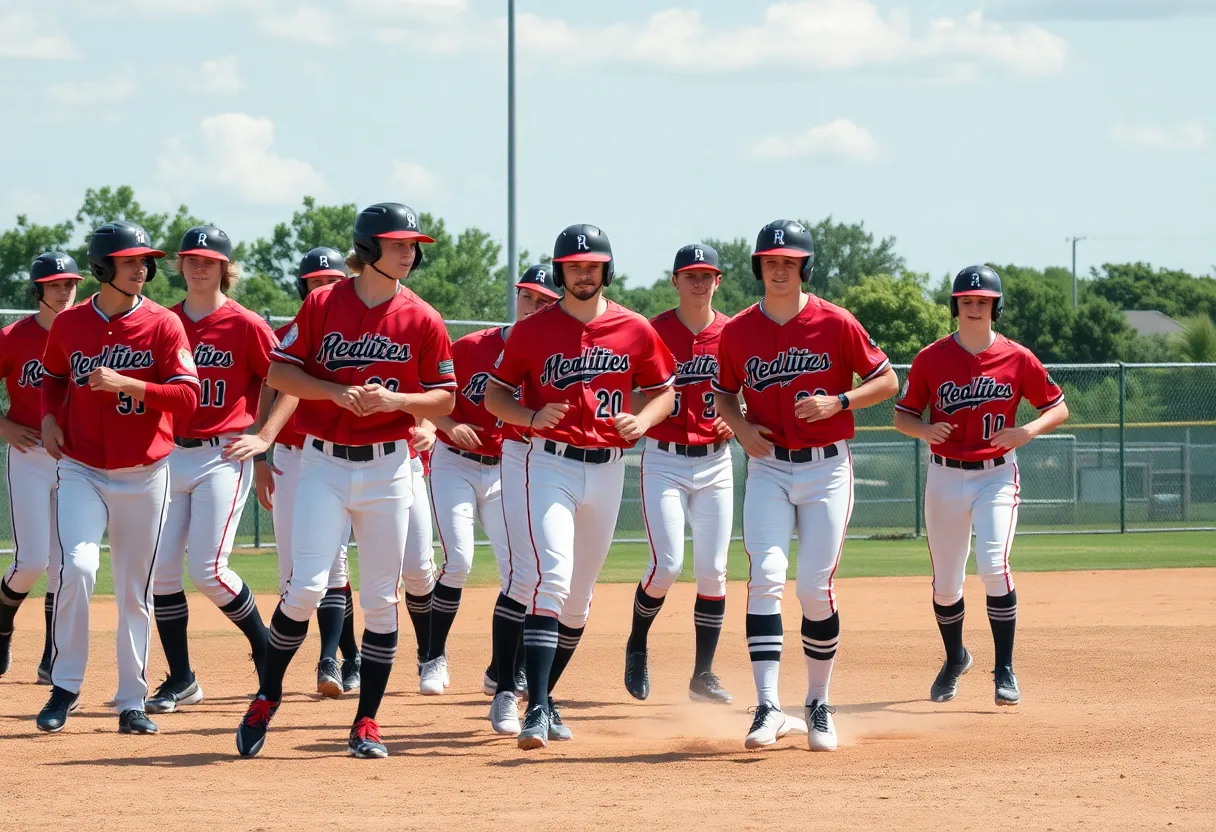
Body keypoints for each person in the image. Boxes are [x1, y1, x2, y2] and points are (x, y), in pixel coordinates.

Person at [234, 202, 455, 760]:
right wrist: (334, 392)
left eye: (413, 245)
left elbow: (445, 397)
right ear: (371, 248)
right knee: (306, 586)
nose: (412, 252)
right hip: (323, 465)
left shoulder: (423, 317)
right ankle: (268, 695)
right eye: (400, 244)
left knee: (382, 601)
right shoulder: (323, 303)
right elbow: (279, 371)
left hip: (388, 467)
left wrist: (396, 400)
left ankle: (366, 723)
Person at [485, 224, 676, 749]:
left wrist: (646, 420)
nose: (583, 273)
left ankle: (544, 698)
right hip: (548, 463)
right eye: (574, 265)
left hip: (609, 467)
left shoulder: (635, 328)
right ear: (561, 270)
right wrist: (528, 414)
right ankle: (533, 707)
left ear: (605, 270)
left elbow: (665, 392)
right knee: (553, 576)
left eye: (592, 265)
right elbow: (494, 398)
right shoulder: (533, 329)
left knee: (580, 598)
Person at [713, 220, 898, 752]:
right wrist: (742, 427)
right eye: (770, 261)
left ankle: (817, 703)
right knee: (766, 576)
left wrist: (839, 401)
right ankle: (768, 706)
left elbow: (888, 380)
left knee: (814, 588)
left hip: (825, 468)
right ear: (758, 268)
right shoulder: (738, 331)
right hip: (769, 464)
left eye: (788, 261)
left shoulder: (835, 322)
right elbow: (725, 394)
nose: (778, 268)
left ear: (803, 268)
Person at [37, 221, 201, 735]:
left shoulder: (162, 325)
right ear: (103, 268)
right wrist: (47, 416)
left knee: (135, 589)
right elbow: (54, 377)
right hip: (82, 467)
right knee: (77, 568)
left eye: (145, 260)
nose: (143, 268)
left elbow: (187, 396)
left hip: (145, 472)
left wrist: (127, 382)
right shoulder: (69, 324)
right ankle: (65, 686)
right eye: (130, 260)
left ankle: (131, 699)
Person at [894, 265, 1068, 707]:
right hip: (945, 475)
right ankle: (956, 658)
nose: (975, 307)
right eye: (967, 301)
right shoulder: (931, 357)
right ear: (956, 305)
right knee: (946, 585)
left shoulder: (1017, 357)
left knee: (994, 565)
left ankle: (1004, 668)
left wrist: (1026, 431)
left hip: (996, 474)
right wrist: (922, 430)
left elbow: (1058, 407)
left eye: (983, 301)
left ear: (995, 306)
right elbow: (903, 416)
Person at [146, 226, 281, 714]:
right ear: (180, 265)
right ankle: (181, 678)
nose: (199, 267)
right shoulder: (162, 322)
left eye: (209, 260)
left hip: (222, 453)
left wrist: (263, 439)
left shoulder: (245, 324)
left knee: (207, 569)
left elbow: (284, 380)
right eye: (191, 259)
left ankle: (267, 650)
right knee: (160, 573)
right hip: (164, 456)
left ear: (225, 267)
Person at [419, 264, 561, 700]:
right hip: (454, 463)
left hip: (508, 469)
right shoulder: (470, 347)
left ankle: (503, 670)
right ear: (516, 297)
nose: (533, 306)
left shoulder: (552, 357)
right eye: (528, 297)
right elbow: (425, 391)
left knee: (518, 572)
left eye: (543, 301)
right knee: (458, 561)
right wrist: (444, 423)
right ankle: (433, 656)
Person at [624, 243, 735, 705]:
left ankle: (702, 675)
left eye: (706, 274)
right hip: (665, 458)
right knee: (666, 565)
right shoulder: (652, 332)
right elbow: (628, 390)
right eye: (689, 274)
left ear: (718, 281)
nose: (698, 282)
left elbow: (754, 386)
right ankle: (637, 644)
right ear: (674, 280)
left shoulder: (734, 332)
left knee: (713, 570)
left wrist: (741, 415)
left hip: (716, 460)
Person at [254, 247, 361, 698]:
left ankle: (331, 659)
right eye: (314, 281)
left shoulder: (356, 335)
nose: (322, 286)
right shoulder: (287, 335)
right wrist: (261, 457)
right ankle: (346, 654)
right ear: (304, 287)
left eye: (331, 279)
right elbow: (271, 390)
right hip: (290, 459)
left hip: (336, 459)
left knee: (332, 559)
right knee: (293, 571)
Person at [0, 252, 82, 681]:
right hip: (29, 455)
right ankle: (2, 626)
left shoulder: (88, 332)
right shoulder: (14, 336)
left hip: (76, 461)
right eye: (55, 285)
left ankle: (52, 655)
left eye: (70, 284)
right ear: (38, 291)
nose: (65, 292)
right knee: (30, 561)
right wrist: (4, 426)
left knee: (65, 562)